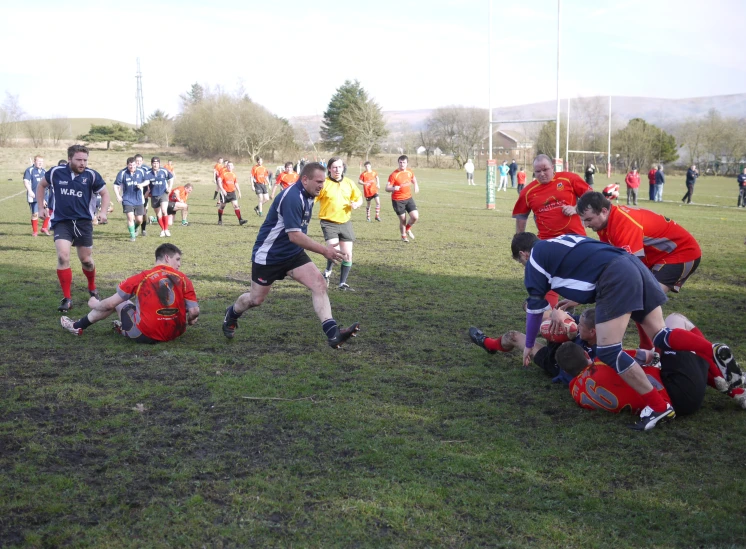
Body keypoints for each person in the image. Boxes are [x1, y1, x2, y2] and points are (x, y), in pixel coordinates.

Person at [511, 232, 742, 430]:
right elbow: (590, 261)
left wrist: (529, 343)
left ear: (523, 254)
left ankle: (659, 407)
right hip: (631, 264)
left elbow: (534, 309)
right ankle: (712, 350)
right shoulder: (562, 240)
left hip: (614, 276)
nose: (525, 267)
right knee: (660, 334)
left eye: (522, 263)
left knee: (609, 351)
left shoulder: (534, 261)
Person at [221, 162, 360, 349]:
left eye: (323, 181)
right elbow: (294, 235)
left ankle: (332, 333)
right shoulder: (293, 197)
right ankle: (232, 314)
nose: (322, 185)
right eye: (318, 181)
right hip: (269, 256)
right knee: (256, 300)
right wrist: (325, 250)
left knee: (319, 283)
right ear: (304, 179)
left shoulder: (310, 194)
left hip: (292, 254)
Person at [558, 312, 746, 415]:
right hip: (674, 392)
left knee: (680, 354)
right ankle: (720, 366)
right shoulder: (604, 360)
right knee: (675, 322)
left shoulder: (575, 392)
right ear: (584, 353)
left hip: (675, 398)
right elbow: (650, 356)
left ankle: (721, 379)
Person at [60, 243, 199, 342]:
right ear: (167, 258)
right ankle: (124, 328)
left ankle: (77, 326)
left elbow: (110, 305)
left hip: (146, 335)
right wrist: (191, 320)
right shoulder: (184, 279)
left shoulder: (141, 277)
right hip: (175, 334)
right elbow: (194, 311)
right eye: (178, 259)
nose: (179, 264)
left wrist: (95, 304)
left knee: (122, 302)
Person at [576, 191, 702, 293]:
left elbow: (629, 267)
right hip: (658, 256)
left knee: (646, 299)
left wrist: (592, 291)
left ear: (604, 211)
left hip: (683, 252)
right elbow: (609, 259)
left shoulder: (622, 223)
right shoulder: (604, 224)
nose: (585, 225)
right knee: (637, 300)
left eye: (588, 219)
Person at [36, 145, 110, 313]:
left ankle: (92, 287)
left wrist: (103, 212)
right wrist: (41, 207)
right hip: (62, 222)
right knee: (63, 256)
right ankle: (67, 298)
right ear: (69, 159)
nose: (82, 163)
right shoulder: (56, 172)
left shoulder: (91, 175)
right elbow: (41, 186)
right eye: (79, 160)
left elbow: (105, 194)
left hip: (84, 223)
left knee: (86, 260)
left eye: (85, 160)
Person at [469, 307, 598, 383]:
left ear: (592, 332)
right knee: (540, 315)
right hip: (560, 345)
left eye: (581, 325)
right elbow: (559, 314)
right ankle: (489, 344)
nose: (578, 326)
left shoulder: (603, 353)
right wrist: (559, 314)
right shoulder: (586, 327)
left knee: (514, 337)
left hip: (555, 362)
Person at [317, 157, 363, 290]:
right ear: (329, 169)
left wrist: (356, 204)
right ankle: (327, 273)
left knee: (347, 255)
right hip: (328, 222)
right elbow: (312, 198)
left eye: (340, 167)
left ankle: (342, 283)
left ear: (343, 168)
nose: (337, 170)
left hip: (345, 222)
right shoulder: (324, 183)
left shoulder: (349, 183)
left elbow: (359, 198)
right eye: (334, 167)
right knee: (334, 251)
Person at [114, 157, 150, 242]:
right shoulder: (122, 173)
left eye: (134, 165)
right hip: (127, 199)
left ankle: (134, 228)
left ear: (136, 165)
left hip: (139, 199)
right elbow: (116, 185)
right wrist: (118, 195)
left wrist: (141, 184)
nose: (132, 167)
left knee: (139, 220)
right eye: (130, 165)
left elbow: (147, 181)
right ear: (127, 165)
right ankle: (132, 236)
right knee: (130, 218)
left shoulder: (141, 171)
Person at [386, 155, 419, 243]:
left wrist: (416, 185)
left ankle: (407, 229)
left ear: (407, 163)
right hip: (398, 200)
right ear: (398, 163)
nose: (402, 164)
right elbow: (387, 188)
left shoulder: (409, 171)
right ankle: (403, 236)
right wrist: (393, 188)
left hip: (408, 198)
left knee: (415, 217)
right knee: (403, 220)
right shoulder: (394, 175)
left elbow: (414, 179)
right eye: (400, 162)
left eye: (404, 162)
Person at [144, 156, 174, 238]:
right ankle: (163, 230)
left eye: (157, 163)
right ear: (151, 164)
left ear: (159, 164)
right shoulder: (148, 173)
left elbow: (171, 178)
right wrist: (147, 191)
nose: (155, 165)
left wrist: (169, 187)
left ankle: (166, 230)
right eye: (154, 163)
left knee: (164, 210)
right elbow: (146, 182)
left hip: (163, 193)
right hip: (154, 195)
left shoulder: (164, 171)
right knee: (158, 213)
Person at [217, 161, 248, 226]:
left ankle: (240, 220)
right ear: (226, 166)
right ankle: (220, 219)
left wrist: (239, 191)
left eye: (231, 165)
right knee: (222, 206)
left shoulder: (233, 174)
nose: (229, 167)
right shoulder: (223, 173)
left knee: (236, 206)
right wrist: (222, 190)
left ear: (233, 167)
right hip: (224, 193)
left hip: (232, 192)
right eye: (228, 165)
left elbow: (236, 183)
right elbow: (219, 181)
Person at [23, 155, 48, 236]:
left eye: (42, 161)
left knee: (48, 211)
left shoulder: (44, 171)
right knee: (35, 214)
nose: (40, 163)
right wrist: (30, 191)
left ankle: (44, 228)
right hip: (33, 195)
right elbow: (26, 181)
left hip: (44, 195)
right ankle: (35, 232)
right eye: (38, 161)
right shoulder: (29, 170)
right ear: (34, 161)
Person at [133, 154, 150, 235]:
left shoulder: (146, 169)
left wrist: (148, 191)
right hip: (133, 194)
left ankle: (143, 229)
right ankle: (135, 229)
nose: (138, 162)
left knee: (143, 212)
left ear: (142, 161)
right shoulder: (131, 168)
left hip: (144, 194)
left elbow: (150, 180)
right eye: (137, 161)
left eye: (140, 161)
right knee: (133, 213)